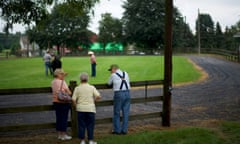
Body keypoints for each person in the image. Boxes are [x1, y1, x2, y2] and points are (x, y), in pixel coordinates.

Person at [72, 72, 101, 144]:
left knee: (81, 125)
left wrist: (76, 106)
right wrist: (93, 101)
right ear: (87, 79)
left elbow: (73, 99)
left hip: (80, 109)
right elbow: (98, 96)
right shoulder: (91, 87)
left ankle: (82, 141)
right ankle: (91, 140)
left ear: (80, 79)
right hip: (90, 108)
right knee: (90, 125)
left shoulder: (77, 88)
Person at [108, 64, 131, 135]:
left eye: (111, 70)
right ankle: (124, 130)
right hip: (127, 93)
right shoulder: (125, 73)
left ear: (114, 69)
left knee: (117, 112)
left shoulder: (113, 75)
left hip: (119, 93)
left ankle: (117, 130)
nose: (110, 72)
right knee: (126, 112)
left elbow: (109, 83)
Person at [51, 69, 72, 141]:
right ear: (58, 75)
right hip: (63, 102)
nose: (63, 76)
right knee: (64, 118)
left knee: (59, 118)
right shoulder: (62, 82)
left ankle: (59, 135)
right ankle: (64, 135)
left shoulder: (53, 82)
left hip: (56, 102)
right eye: (62, 74)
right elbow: (69, 92)